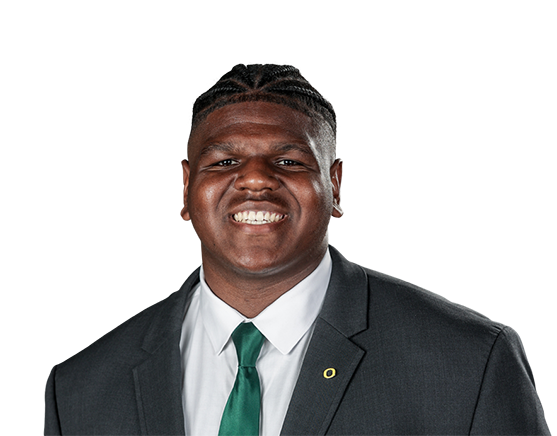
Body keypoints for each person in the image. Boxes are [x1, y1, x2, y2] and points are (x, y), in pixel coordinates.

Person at [44, 61, 549, 435]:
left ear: (335, 186)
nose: (255, 180)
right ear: (185, 188)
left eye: (288, 162)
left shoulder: (468, 362)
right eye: (223, 162)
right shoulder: (78, 390)